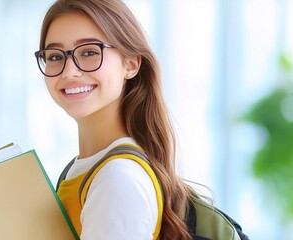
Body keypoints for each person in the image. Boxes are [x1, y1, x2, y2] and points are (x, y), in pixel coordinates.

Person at [34, 0, 195, 239]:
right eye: (55, 56)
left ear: (130, 64)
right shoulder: (83, 169)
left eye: (89, 52)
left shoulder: (118, 178)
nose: (69, 72)